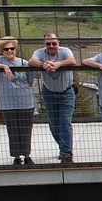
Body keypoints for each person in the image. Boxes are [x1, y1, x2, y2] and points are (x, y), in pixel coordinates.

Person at [0, 36, 37, 166]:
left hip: (25, 102)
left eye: (12, 48)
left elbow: (30, 81)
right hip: (8, 103)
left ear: (16, 49)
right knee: (12, 129)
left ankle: (27, 155)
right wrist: (4, 67)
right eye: (6, 49)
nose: (9, 51)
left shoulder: (24, 63)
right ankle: (16, 156)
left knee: (26, 129)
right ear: (1, 51)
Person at [28, 31, 77, 164]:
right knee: (54, 124)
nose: (51, 46)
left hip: (66, 91)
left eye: (54, 43)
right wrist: (43, 65)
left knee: (65, 122)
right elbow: (32, 60)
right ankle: (64, 147)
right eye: (48, 43)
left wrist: (58, 64)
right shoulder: (40, 52)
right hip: (49, 92)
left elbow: (72, 60)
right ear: (44, 44)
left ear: (58, 43)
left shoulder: (65, 51)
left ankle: (66, 153)